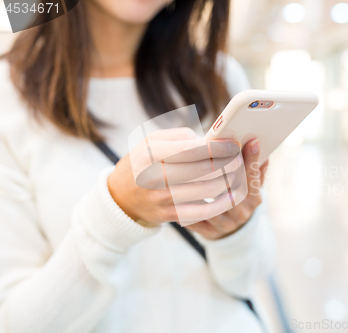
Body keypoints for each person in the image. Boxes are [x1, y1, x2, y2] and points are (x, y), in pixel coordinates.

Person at [0, 0, 274, 332]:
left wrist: (236, 230)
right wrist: (115, 214)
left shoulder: (218, 75)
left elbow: (249, 280)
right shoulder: (9, 96)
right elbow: (17, 323)